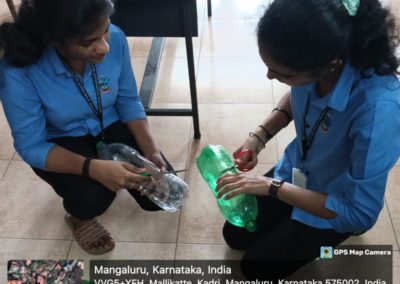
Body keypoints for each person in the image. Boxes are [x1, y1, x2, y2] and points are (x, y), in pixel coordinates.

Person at [215, 0, 400, 280]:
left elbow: (360, 211)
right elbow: (296, 96)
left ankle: (334, 239)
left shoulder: (377, 109)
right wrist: (259, 137)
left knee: (256, 268)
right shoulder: (322, 58)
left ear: (327, 66)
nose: (269, 76)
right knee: (235, 234)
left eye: (282, 74)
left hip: (337, 199)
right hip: (299, 171)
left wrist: (271, 187)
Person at [0, 0, 173, 255]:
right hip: (60, 139)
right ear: (54, 40)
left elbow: (127, 100)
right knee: (93, 198)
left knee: (160, 195)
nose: (104, 47)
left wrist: (151, 152)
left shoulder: (115, 39)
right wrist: (93, 168)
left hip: (108, 121)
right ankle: (78, 217)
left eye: (105, 29)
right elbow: (31, 145)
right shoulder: (19, 69)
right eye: (87, 42)